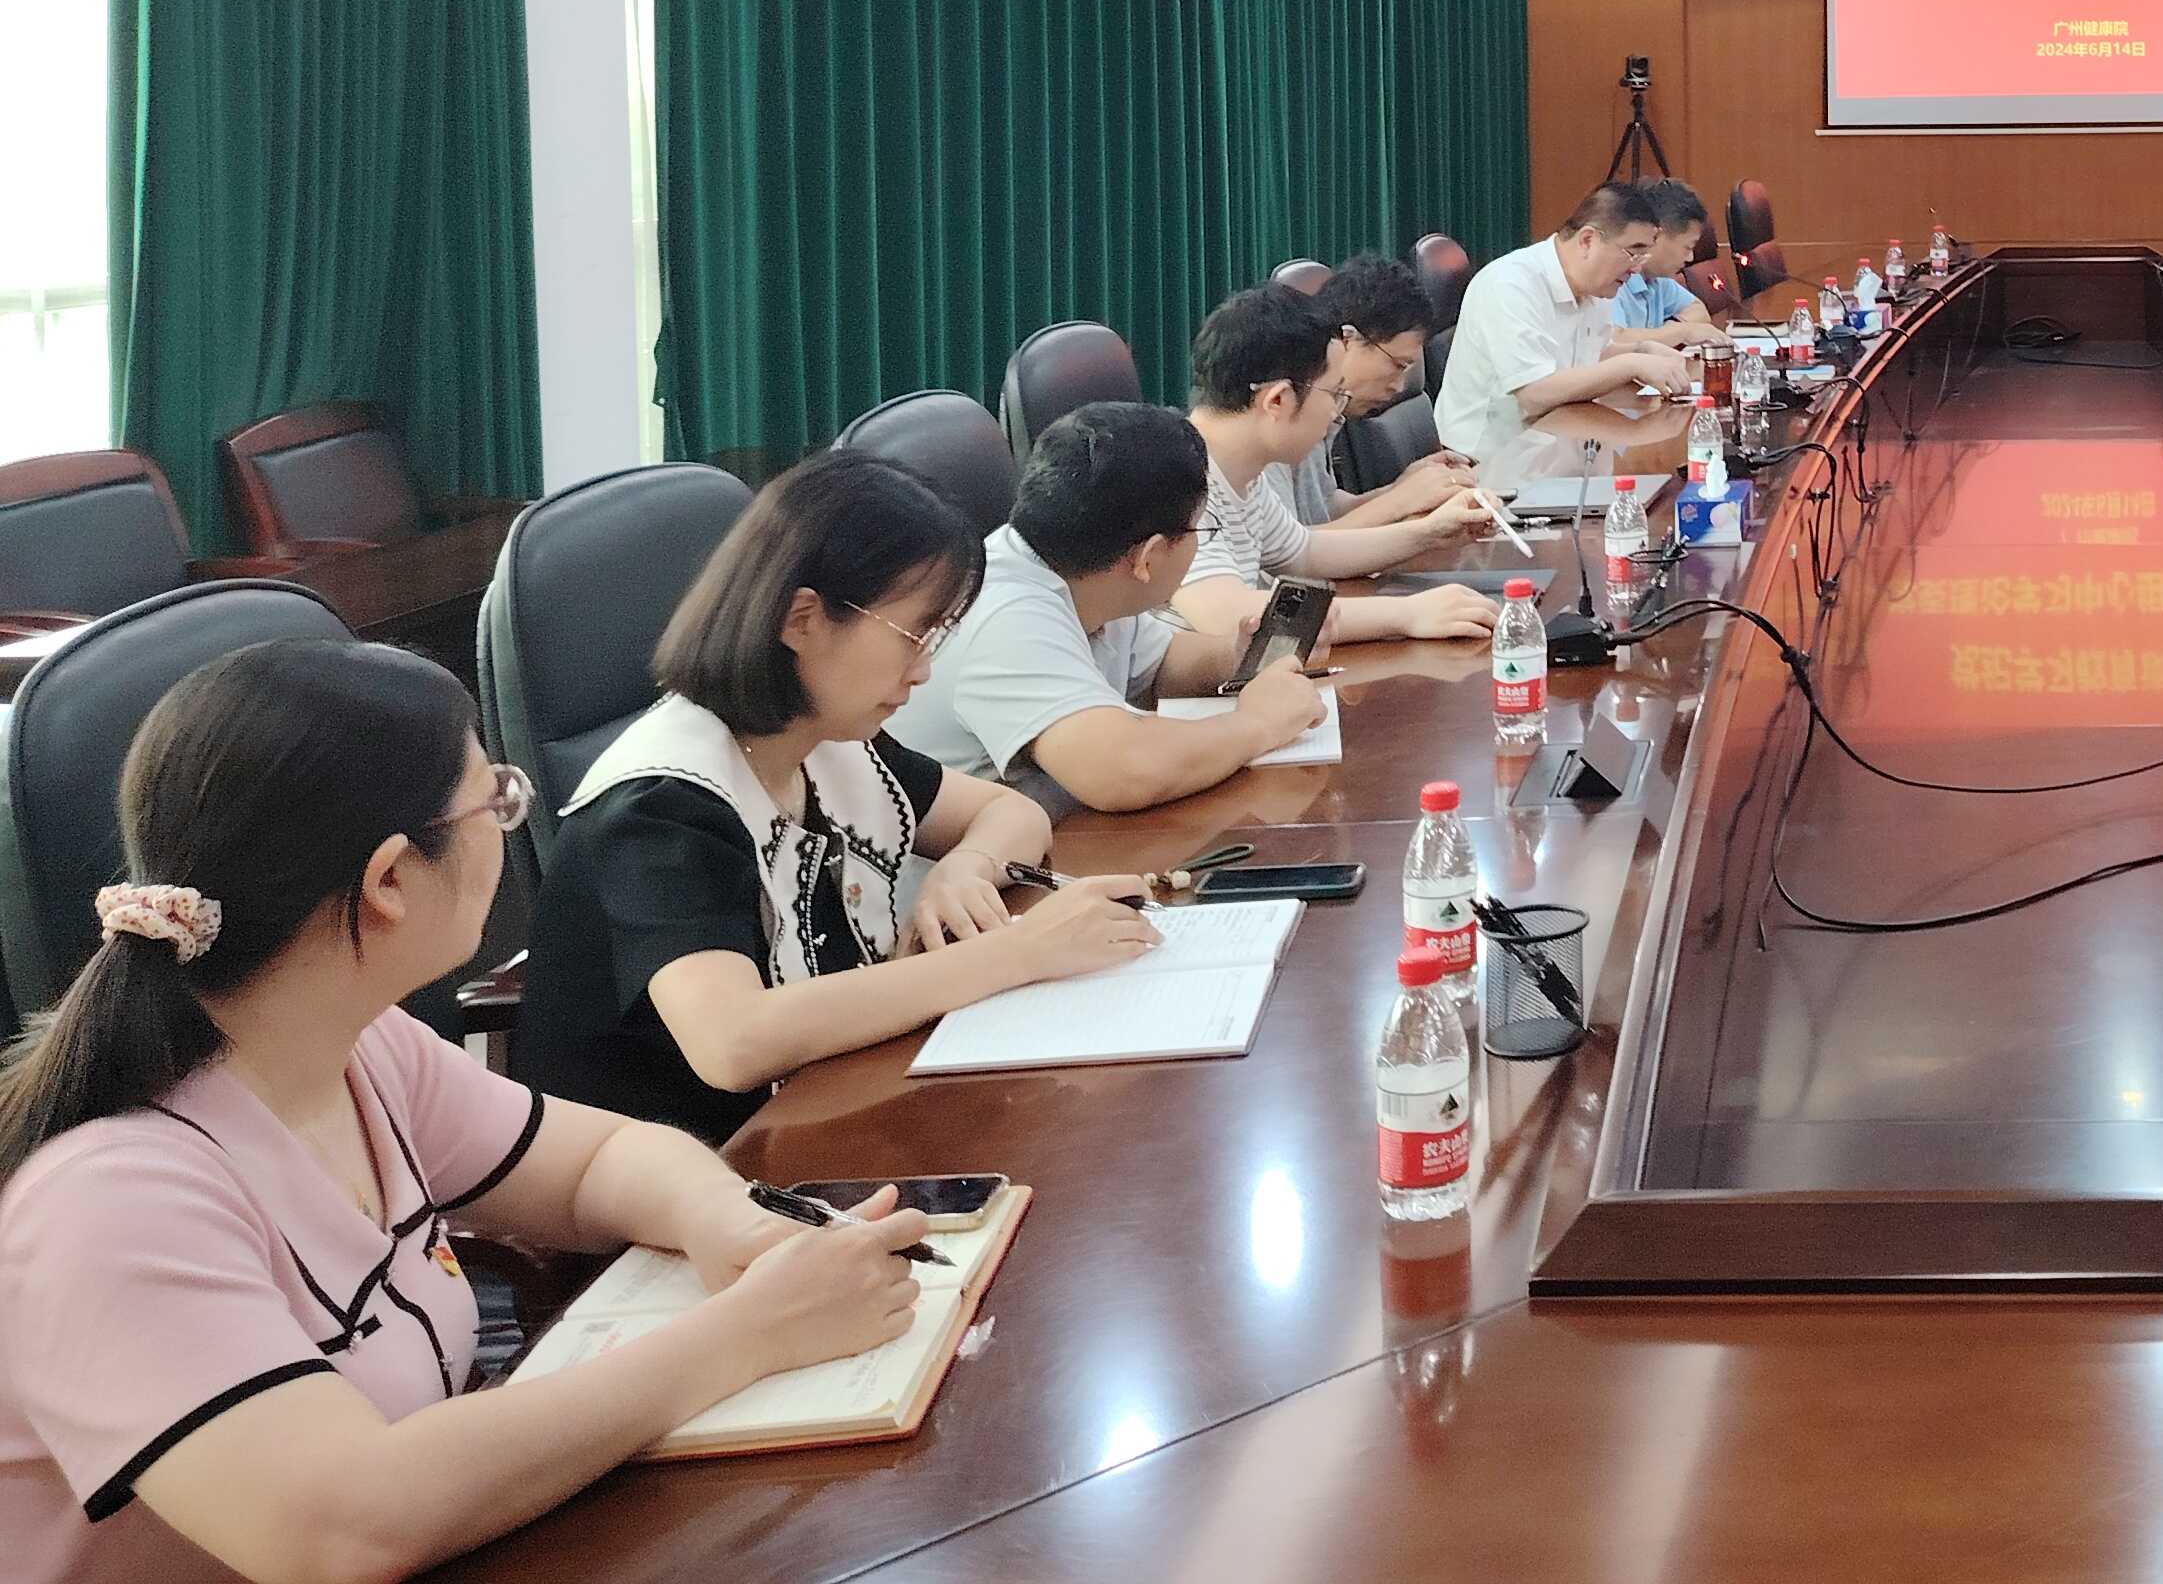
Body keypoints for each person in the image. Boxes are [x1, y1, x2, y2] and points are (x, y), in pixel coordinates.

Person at [0, 642, 944, 1584]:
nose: (505, 821)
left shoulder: (358, 1047)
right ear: (389, 881)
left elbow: (599, 1161)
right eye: (493, 801)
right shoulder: (110, 1201)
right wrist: (750, 1333)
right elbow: (339, 1527)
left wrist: (734, 1226)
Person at [522, 451, 1162, 1144]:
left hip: (829, 1107)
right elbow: (733, 1043)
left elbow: (1012, 812)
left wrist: (966, 868)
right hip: (694, 1171)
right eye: (914, 635)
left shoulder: (822, 738)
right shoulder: (660, 807)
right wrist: (1020, 952)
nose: (923, 670)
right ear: (801, 619)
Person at [889, 402, 1332, 813]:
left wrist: (1236, 655)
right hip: (978, 866)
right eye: (1200, 529)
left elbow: (1160, 664)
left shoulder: (1085, 574)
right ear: (1148, 558)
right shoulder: (1004, 615)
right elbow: (1121, 771)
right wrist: (1258, 724)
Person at [1173, 278, 1507, 647]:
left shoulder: (1242, 473)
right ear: (1278, 400)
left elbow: (1304, 553)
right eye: (1333, 393)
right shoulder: (1177, 478)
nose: (1336, 412)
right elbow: (1227, 614)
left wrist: (1433, 531)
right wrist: (1407, 613)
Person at [1428, 185, 1695, 493]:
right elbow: (1535, 393)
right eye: (1632, 252)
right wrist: (1631, 364)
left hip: (1558, 447)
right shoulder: (1511, 284)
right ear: (1587, 240)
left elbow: (1586, 356)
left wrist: (1641, 350)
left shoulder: (1596, 288)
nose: (1637, 268)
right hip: (1489, 471)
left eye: (1643, 255)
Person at [1614, 178, 1716, 330]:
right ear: (1656, 236)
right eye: (1688, 247)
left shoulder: (1657, 279)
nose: (1691, 258)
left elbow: (1698, 310)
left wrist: (1675, 329)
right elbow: (1614, 338)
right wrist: (1679, 333)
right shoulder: (1613, 279)